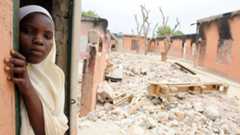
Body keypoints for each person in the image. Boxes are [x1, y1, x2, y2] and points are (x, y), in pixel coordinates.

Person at [4, 5, 68, 135]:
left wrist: (26, 86)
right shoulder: (7, 67)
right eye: (28, 31)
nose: (39, 40)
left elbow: (56, 129)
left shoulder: (56, 76)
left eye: (47, 36)